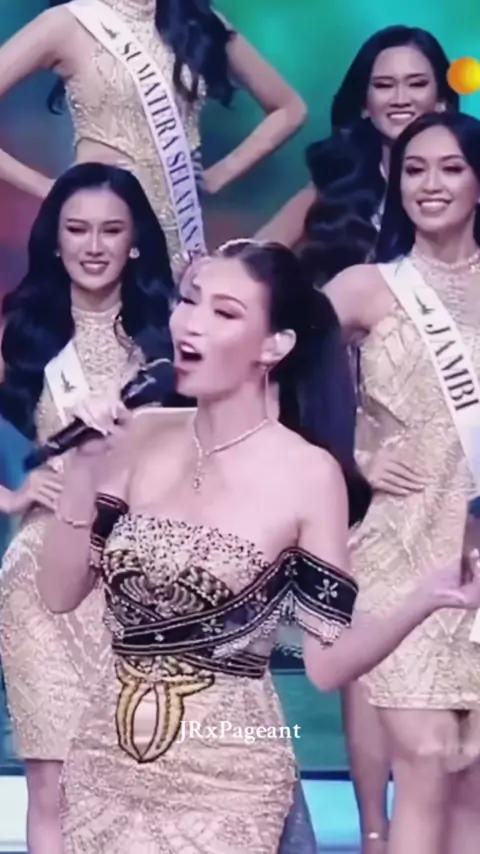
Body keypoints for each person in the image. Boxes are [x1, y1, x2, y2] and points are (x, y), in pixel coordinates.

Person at [38, 239, 480, 854]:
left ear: (275, 346)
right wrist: (84, 470)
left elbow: (326, 665)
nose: (191, 323)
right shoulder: (137, 436)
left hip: (229, 784)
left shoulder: (309, 474)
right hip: (103, 769)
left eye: (225, 312)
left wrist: (423, 600)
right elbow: (59, 592)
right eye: (189, 301)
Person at [257, 26, 458, 852]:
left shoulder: (461, 174)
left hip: (456, 463)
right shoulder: (340, 187)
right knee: (370, 658)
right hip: (367, 456)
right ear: (364, 98)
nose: (401, 98)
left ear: (443, 95)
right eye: (385, 84)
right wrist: (344, 453)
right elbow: (261, 276)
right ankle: (375, 830)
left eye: (416, 83)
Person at [0, 161, 184, 854]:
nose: (94, 245)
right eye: (77, 229)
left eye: (112, 230)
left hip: (148, 580)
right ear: (54, 239)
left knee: (143, 779)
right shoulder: (23, 330)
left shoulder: (173, 331)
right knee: (53, 783)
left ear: (136, 242)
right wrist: (13, 495)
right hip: (42, 580)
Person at [322, 111, 480, 854]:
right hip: (400, 557)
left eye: (451, 168)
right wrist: (352, 455)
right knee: (425, 758)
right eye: (415, 169)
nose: (430, 184)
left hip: (476, 555)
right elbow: (274, 371)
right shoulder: (367, 287)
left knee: (472, 778)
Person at [0, 0, 306, 271]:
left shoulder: (196, 20)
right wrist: (48, 188)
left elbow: (290, 109)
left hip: (180, 232)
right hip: (101, 233)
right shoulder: (68, 22)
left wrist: (217, 176)